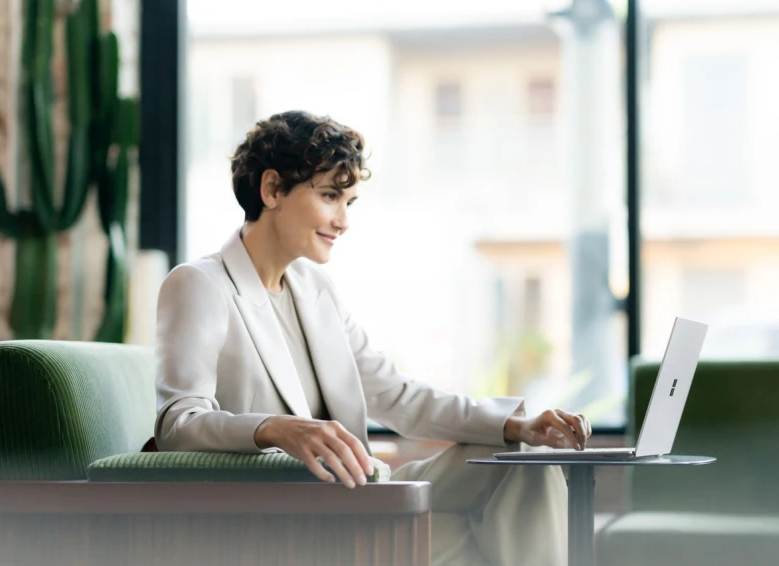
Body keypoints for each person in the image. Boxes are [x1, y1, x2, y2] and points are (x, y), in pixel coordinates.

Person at [154, 110, 592, 566]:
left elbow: (397, 396)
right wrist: (274, 429)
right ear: (271, 190)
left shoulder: (315, 289)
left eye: (349, 202)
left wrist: (514, 425)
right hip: (286, 520)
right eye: (329, 196)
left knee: (522, 459)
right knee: (485, 534)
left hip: (356, 499)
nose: (342, 221)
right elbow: (177, 425)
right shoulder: (201, 284)